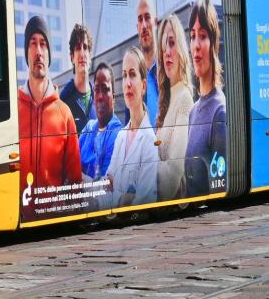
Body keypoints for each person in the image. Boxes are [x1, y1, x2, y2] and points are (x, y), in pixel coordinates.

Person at [17, 16, 82, 214]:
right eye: (33, 43)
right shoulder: (12, 111)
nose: (38, 51)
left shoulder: (64, 114)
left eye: (43, 44)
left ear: (49, 53)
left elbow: (75, 181)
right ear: (26, 52)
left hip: (53, 225)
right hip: (16, 223)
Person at [103, 47, 159, 209]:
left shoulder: (149, 140)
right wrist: (123, 198)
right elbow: (106, 186)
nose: (127, 83)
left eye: (133, 74)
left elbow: (144, 201)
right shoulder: (121, 136)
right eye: (124, 75)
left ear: (143, 85)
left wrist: (117, 196)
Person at [184, 0, 227, 197]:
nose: (196, 46)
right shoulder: (193, 111)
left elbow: (219, 185)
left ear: (214, 44)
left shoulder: (220, 111)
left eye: (202, 36)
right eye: (193, 37)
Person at [154, 14, 195, 200]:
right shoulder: (166, 100)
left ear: (181, 48)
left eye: (171, 43)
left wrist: (146, 166)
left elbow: (173, 175)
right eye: (163, 47)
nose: (167, 52)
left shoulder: (184, 98)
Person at [79, 62, 123, 180]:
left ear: (113, 97)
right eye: (96, 90)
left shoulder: (118, 135)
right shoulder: (88, 128)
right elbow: (70, 164)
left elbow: (103, 190)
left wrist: (77, 177)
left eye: (105, 89)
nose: (99, 96)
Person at [58, 23, 95, 127]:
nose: (82, 53)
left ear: (90, 55)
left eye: (85, 47)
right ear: (71, 57)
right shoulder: (63, 101)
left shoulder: (99, 97)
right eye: (78, 48)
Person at [135, 0, 161, 125]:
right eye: (140, 19)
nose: (144, 25)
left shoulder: (169, 70)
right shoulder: (134, 78)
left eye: (147, 17)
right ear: (137, 27)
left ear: (155, 22)